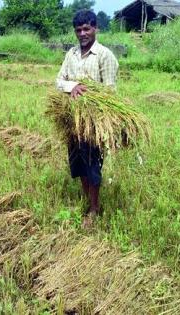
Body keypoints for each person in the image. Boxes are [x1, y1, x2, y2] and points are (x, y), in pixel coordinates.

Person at [55, 9, 119, 228]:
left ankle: (93, 209)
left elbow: (109, 92)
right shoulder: (70, 54)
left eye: (86, 29)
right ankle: (86, 200)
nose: (82, 33)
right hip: (72, 119)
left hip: (94, 121)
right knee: (78, 163)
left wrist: (88, 94)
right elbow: (59, 81)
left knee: (92, 163)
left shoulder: (105, 55)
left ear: (95, 29)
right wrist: (73, 86)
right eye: (78, 30)